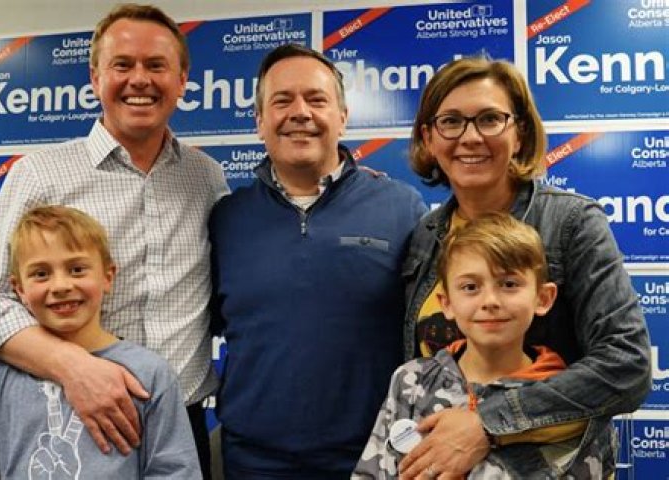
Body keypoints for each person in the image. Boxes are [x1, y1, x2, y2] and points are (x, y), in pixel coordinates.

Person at [0, 4, 228, 478]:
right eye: (122, 64)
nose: (139, 79)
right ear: (95, 77)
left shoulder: (205, 177)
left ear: (182, 80)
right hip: (62, 415)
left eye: (156, 65)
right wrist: (73, 366)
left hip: (179, 424)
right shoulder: (39, 174)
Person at [398, 56, 651, 478]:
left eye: (489, 119)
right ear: (429, 138)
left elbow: (627, 365)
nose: (470, 137)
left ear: (519, 134)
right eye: (451, 122)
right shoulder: (427, 234)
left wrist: (486, 424)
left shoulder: (571, 223)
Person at [209, 43, 427, 479]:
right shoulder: (226, 219)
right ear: (259, 121)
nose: (300, 112)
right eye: (282, 101)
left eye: (316, 99)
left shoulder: (401, 208)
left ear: (342, 117)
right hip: (254, 463)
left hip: (372, 457)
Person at [354, 212, 616, 479]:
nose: (490, 301)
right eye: (470, 287)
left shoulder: (573, 400)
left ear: (543, 298)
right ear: (446, 303)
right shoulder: (412, 382)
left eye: (509, 284)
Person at [0, 206, 201, 479]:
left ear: (108, 277)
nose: (60, 286)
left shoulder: (150, 374)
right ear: (19, 289)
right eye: (41, 274)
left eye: (77, 269)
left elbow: (174, 472)